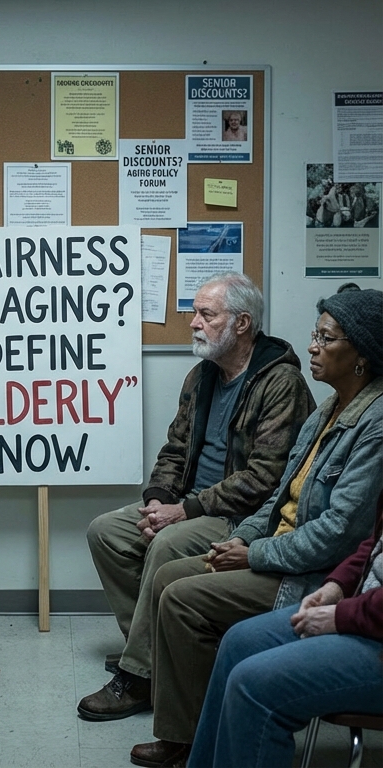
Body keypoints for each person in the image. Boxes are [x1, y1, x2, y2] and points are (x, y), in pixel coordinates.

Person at [129, 285, 383, 768]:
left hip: (305, 573)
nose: (312, 345)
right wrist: (242, 537)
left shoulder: (372, 423)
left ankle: (179, 730)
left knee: (180, 594)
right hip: (274, 547)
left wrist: (253, 552)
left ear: (361, 356)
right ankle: (189, 735)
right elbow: (278, 495)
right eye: (315, 334)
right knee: (163, 574)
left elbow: (339, 533)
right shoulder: (325, 412)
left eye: (325, 338)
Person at [79, 273, 313, 721]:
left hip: (240, 516)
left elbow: (265, 478)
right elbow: (175, 447)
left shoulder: (281, 383)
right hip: (186, 502)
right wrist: (157, 500)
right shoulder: (202, 375)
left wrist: (182, 511)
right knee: (106, 531)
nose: (193, 323)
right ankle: (152, 653)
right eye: (195, 313)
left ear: (242, 323)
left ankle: (140, 674)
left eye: (207, 314)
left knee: (167, 544)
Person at [187, 502, 383, 768]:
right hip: (363, 610)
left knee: (253, 685)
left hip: (373, 632)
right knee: (239, 642)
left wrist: (342, 616)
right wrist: (336, 586)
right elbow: (375, 543)